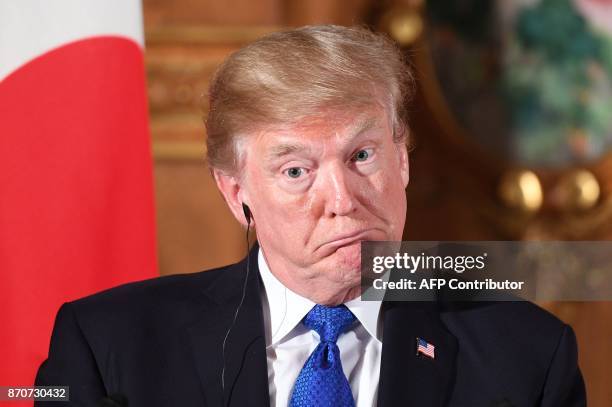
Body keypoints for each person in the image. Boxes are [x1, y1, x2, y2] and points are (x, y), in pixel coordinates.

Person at [35, 25, 586, 407]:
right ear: (236, 194)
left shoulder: (528, 355)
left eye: (362, 156)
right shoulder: (109, 345)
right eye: (296, 171)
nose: (342, 199)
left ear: (404, 160)